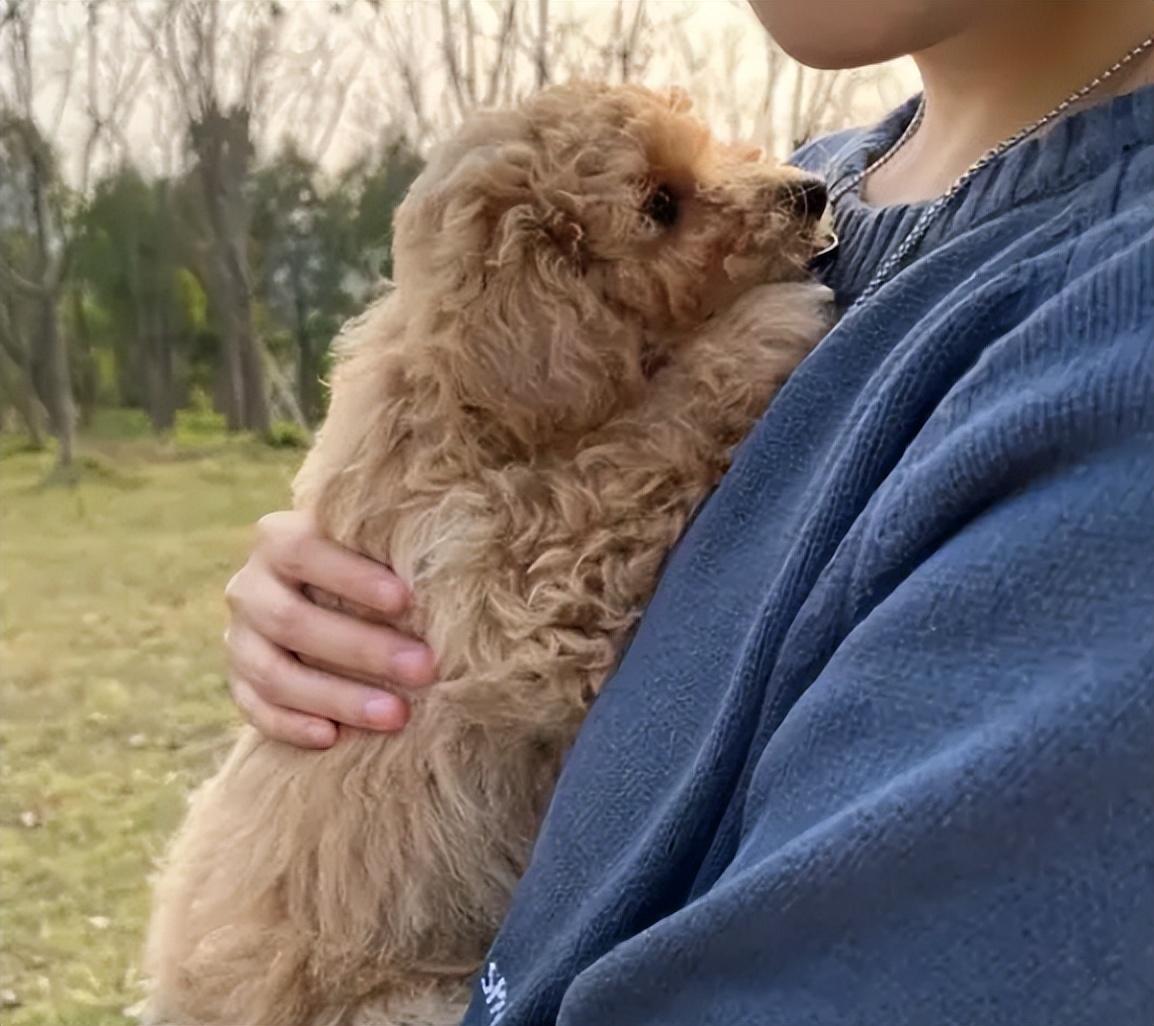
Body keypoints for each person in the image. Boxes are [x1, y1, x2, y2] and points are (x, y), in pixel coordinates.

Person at [221, 0, 1154, 1022]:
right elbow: (543, 607)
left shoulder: (1109, 341)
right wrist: (314, 608)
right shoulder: (830, 182)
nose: (758, 191)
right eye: (670, 203)